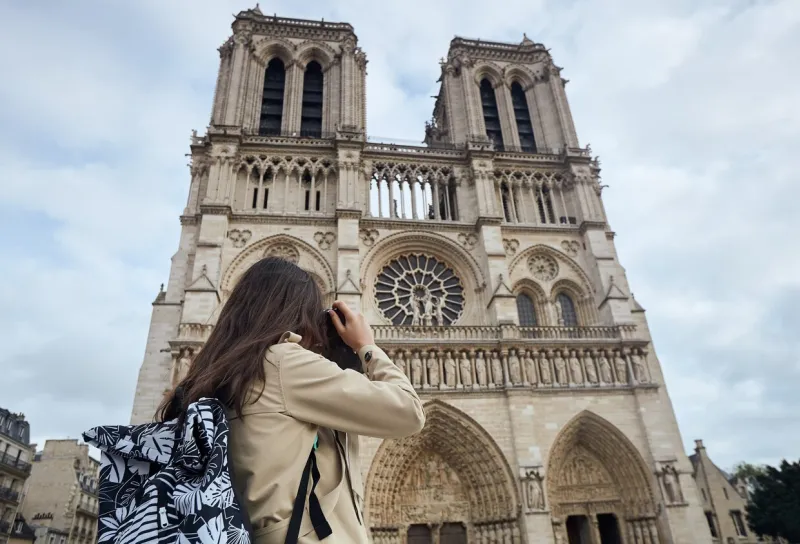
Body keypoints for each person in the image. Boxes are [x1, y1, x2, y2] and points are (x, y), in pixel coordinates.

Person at [157, 257, 426, 544]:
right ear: (298, 313)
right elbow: (409, 412)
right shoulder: (284, 364)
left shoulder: (208, 377)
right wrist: (366, 347)